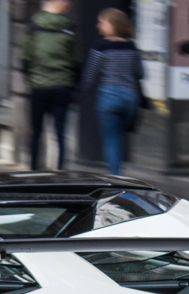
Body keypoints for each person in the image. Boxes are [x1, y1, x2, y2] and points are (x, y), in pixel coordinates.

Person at [78, 8, 143, 176]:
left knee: (112, 140)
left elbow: (90, 75)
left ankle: (115, 177)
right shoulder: (132, 47)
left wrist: (79, 93)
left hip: (108, 98)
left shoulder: (101, 47)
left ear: (113, 25)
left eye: (102, 23)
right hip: (130, 98)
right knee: (121, 135)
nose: (98, 26)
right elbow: (141, 73)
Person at [22, 0, 80, 171]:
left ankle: (33, 171)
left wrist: (32, 79)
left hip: (39, 86)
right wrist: (72, 85)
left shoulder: (33, 26)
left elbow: (25, 59)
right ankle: (59, 174)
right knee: (60, 135)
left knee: (36, 133)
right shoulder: (70, 28)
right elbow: (77, 62)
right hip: (62, 86)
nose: (70, 5)